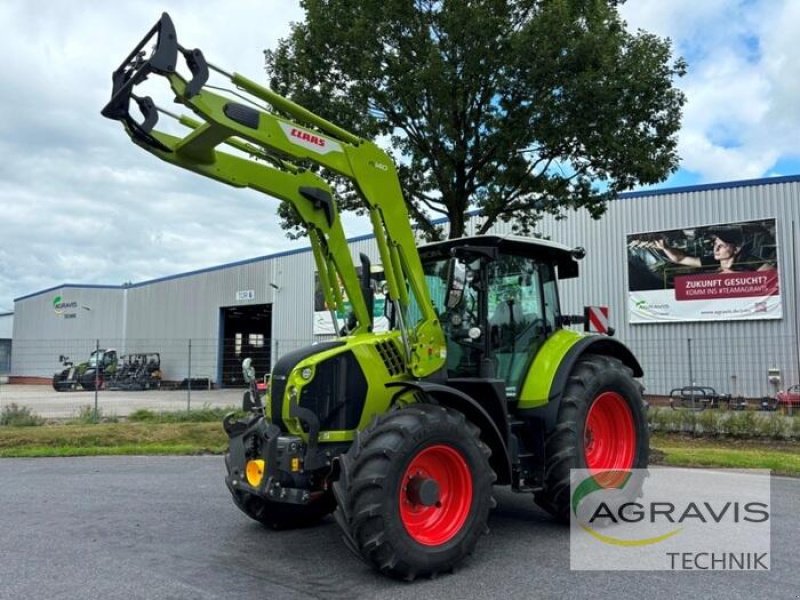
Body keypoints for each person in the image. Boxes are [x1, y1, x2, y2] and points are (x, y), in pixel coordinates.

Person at [650, 228, 774, 273]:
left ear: (736, 249)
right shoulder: (713, 261)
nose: (716, 248)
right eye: (715, 244)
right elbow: (680, 259)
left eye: (721, 245)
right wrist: (665, 248)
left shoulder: (748, 261)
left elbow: (774, 277)